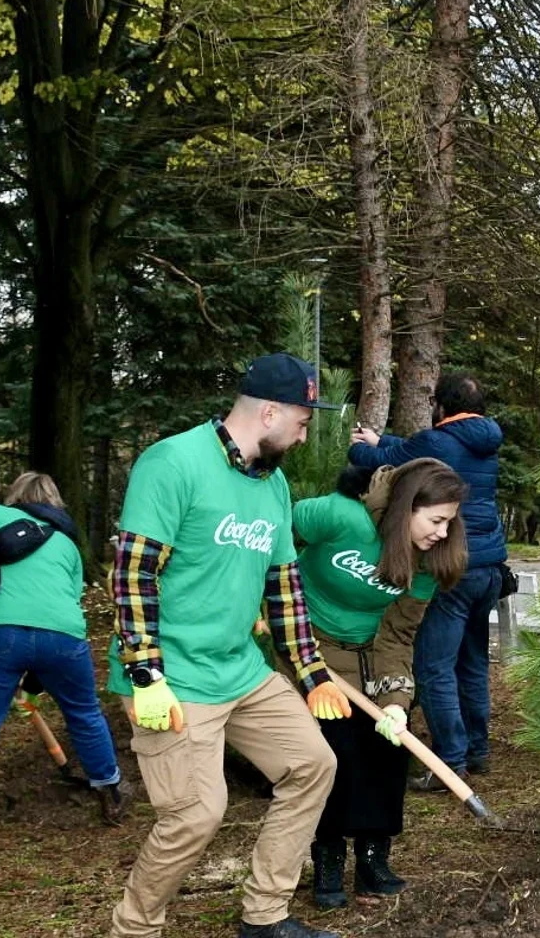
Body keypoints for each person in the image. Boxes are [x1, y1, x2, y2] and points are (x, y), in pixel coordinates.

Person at [107, 353, 349, 938]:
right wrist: (145, 674)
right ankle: (134, 929)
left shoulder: (274, 482)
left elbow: (285, 588)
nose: (305, 430)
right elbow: (134, 575)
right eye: (303, 417)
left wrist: (312, 673)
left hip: (239, 671)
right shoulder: (173, 463)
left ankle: (264, 917)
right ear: (268, 411)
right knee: (196, 812)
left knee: (312, 765)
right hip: (171, 678)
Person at [0, 471, 132, 865]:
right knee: (85, 714)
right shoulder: (70, 547)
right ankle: (111, 796)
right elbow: (58, 608)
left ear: (15, 497)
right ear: (55, 503)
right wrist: (35, 680)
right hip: (64, 640)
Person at [293, 459, 468, 908]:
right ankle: (327, 857)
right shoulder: (340, 516)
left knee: (389, 748)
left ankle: (373, 858)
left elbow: (398, 634)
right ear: (408, 507)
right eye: (436, 520)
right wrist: (265, 606)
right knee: (333, 750)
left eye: (449, 522)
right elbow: (272, 540)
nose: (443, 533)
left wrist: (395, 700)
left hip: (373, 654)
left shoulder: (428, 560)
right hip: (310, 647)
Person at [348, 371, 505, 788]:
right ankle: (478, 749)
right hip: (490, 567)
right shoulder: (487, 442)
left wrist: (363, 446)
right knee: (472, 661)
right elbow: (406, 446)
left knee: (434, 666)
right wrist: (384, 439)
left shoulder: (438, 441)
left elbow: (398, 459)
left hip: (452, 567)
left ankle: (448, 762)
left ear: (440, 405)